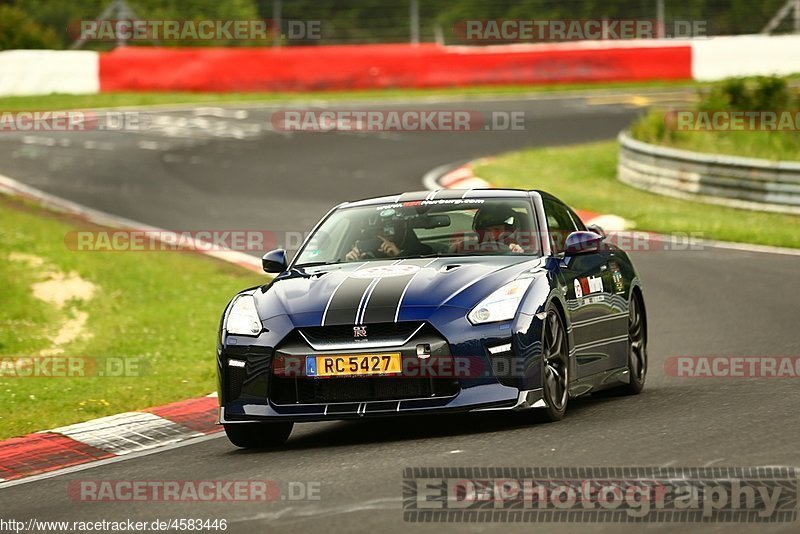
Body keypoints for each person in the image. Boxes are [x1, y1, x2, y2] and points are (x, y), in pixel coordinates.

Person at [345, 219, 431, 260]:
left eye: (387, 232)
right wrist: (349, 262)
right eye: (374, 233)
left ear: (400, 232)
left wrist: (399, 255)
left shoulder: (422, 251)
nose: (379, 236)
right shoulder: (366, 256)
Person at [452, 204, 524, 253]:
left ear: (507, 230)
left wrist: (517, 253)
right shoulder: (466, 246)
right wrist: (456, 248)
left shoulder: (515, 249)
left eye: (497, 230)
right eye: (487, 230)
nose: (492, 234)